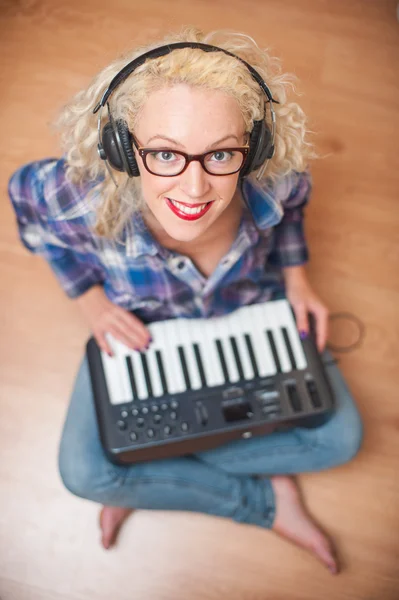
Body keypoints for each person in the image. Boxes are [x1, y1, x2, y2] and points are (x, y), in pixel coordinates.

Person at [8, 27, 363, 575]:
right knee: (87, 475)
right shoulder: (70, 190)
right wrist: (89, 301)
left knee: (340, 438)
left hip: (249, 312)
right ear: (122, 148)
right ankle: (266, 501)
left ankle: (152, 474)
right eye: (164, 154)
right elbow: (32, 218)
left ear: (256, 148)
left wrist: (298, 280)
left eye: (221, 153)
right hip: (144, 330)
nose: (195, 189)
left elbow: (294, 211)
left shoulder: (276, 180)